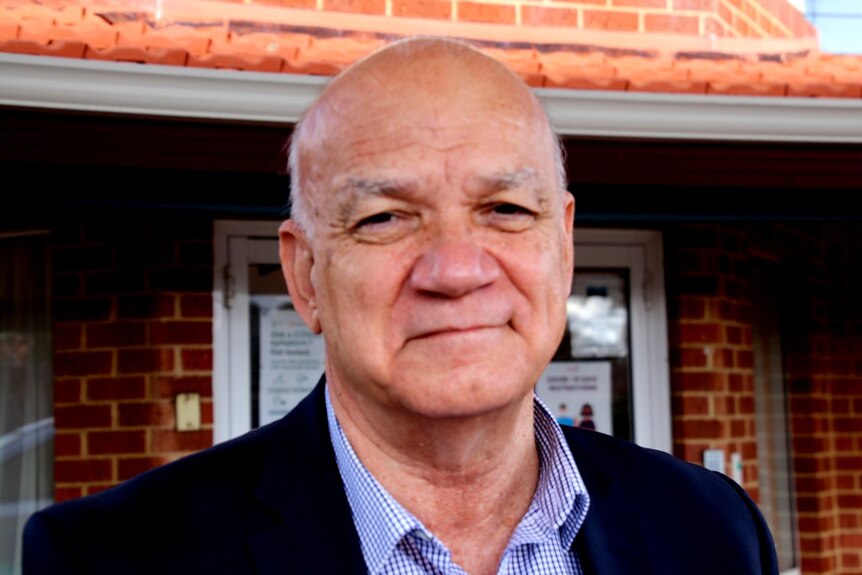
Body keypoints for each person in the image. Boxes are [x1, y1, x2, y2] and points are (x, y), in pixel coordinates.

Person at [23, 37, 777, 574]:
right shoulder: (110, 556)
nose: (455, 270)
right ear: (306, 274)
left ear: (565, 244)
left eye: (507, 208)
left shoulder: (714, 528)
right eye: (385, 217)